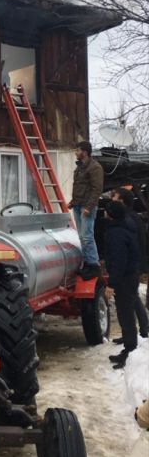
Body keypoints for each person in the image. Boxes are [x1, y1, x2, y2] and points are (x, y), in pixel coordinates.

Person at [105, 201, 141, 369]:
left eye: (106, 211)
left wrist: (111, 284)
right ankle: (129, 349)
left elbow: (119, 261)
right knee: (126, 314)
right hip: (131, 275)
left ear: (111, 214)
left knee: (125, 315)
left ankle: (130, 352)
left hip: (125, 278)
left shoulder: (117, 233)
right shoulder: (126, 226)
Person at [111, 188, 148, 342]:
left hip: (131, 266)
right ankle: (138, 331)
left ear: (123, 202)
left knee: (129, 300)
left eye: (115, 198)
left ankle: (135, 334)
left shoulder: (130, 219)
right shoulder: (126, 218)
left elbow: (138, 243)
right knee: (133, 298)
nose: (112, 201)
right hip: (132, 265)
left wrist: (137, 265)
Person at [69, 140, 104, 278]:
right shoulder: (80, 167)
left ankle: (94, 265)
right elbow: (79, 187)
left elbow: (96, 189)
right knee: (81, 237)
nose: (76, 153)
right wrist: (73, 202)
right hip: (78, 205)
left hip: (87, 207)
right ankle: (86, 264)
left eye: (78, 150)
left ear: (85, 152)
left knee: (87, 237)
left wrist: (89, 207)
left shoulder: (95, 167)